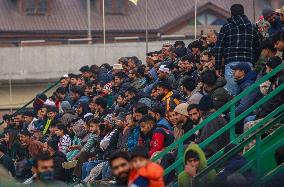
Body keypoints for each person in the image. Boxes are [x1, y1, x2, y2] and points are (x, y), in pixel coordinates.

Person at [214, 4, 261, 96]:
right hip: (248, 64)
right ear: (243, 12)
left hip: (232, 64)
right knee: (247, 94)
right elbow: (258, 47)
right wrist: (253, 62)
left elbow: (219, 47)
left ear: (231, 14)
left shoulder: (226, 27)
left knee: (231, 95)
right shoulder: (252, 27)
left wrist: (218, 67)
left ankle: (234, 111)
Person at [231, 62, 261, 133]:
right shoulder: (243, 83)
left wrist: (230, 115)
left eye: (235, 70)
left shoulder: (248, 85)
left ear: (242, 72)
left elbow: (244, 106)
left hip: (252, 114)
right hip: (245, 114)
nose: (233, 72)